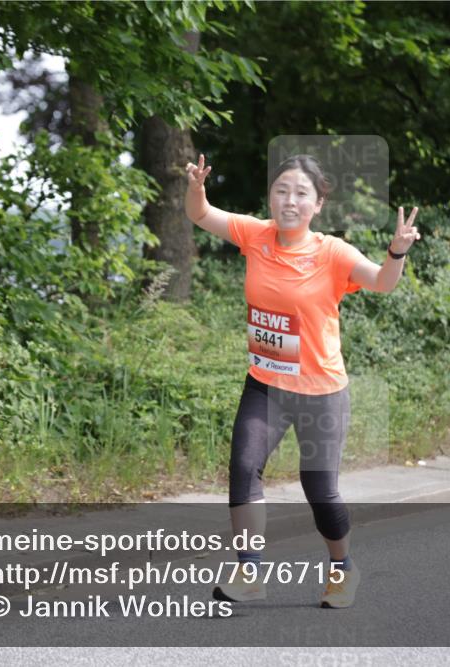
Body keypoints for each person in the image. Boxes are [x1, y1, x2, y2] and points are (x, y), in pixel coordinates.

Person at [184, 153, 420, 608]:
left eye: (301, 194)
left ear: (317, 205)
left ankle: (342, 570)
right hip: (266, 383)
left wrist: (397, 251)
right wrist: (197, 185)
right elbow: (200, 213)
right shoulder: (256, 235)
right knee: (244, 467)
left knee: (319, 488)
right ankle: (249, 569)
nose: (289, 201)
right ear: (271, 196)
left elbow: (383, 282)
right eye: (281, 190)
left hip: (321, 391)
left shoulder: (333, 253)